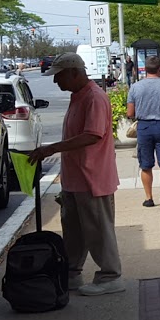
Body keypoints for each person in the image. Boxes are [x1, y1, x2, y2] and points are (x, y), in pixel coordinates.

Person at [31, 53, 123, 296]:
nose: (56, 82)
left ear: (74, 73)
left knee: (97, 229)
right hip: (75, 177)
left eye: (59, 76)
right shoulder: (78, 96)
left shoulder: (94, 97)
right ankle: (72, 273)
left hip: (92, 176)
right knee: (74, 230)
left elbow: (92, 135)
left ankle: (110, 276)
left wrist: (50, 149)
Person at [126, 55, 160, 211]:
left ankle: (148, 198)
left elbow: (130, 112)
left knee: (146, 165)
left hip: (144, 127)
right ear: (159, 68)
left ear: (144, 69)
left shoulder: (135, 87)